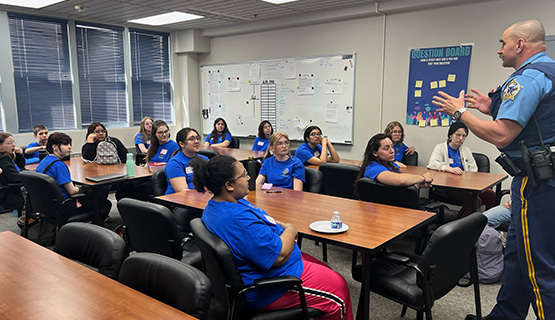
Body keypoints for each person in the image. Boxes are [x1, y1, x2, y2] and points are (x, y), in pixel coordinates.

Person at [432, 19, 555, 320]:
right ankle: (504, 315)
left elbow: (502, 134)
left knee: (539, 265)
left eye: (503, 43)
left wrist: (460, 113)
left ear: (520, 44)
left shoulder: (527, 78)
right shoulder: (549, 71)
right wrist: (493, 107)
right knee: (517, 255)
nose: (499, 50)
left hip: (537, 183)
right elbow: (537, 120)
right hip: (541, 178)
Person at [190, 155, 353, 320]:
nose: (248, 178)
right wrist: (290, 228)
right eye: (244, 175)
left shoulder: (223, 204)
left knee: (327, 270)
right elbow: (280, 255)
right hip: (271, 286)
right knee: (338, 290)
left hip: (273, 268)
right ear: (229, 185)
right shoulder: (237, 219)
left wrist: (280, 227)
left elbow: (264, 220)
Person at [427, 121, 496, 218]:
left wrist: (468, 178)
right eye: (458, 135)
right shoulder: (440, 148)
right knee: (476, 201)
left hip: (466, 185)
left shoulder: (466, 150)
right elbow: (432, 164)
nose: (461, 138)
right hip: (449, 186)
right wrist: (447, 168)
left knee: (491, 195)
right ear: (450, 135)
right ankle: (459, 228)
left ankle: (488, 224)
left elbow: (473, 169)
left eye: (464, 136)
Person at [36, 132, 111, 219]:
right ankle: (92, 230)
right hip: (64, 206)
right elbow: (73, 191)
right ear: (54, 147)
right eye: (65, 144)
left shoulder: (44, 161)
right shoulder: (59, 165)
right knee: (104, 203)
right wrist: (87, 189)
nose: (69, 147)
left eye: (69, 144)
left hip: (47, 205)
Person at [164, 128, 209, 235]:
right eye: (192, 139)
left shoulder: (204, 159)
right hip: (182, 206)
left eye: (198, 138)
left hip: (203, 200)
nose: (197, 141)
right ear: (181, 144)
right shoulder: (175, 163)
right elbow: (184, 193)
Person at [356, 133, 432, 188]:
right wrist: (423, 178)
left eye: (392, 147)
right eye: (386, 148)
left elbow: (396, 188)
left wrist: (418, 185)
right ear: (375, 153)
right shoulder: (373, 168)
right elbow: (400, 180)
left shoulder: (391, 165)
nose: (392, 151)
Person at [0, 133, 25, 211]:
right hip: (12, 195)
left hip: (15, 189)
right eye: (9, 143)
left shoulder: (7, 156)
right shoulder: (3, 160)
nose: (13, 145)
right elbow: (15, 178)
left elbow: (20, 167)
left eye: (13, 142)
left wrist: (19, 155)